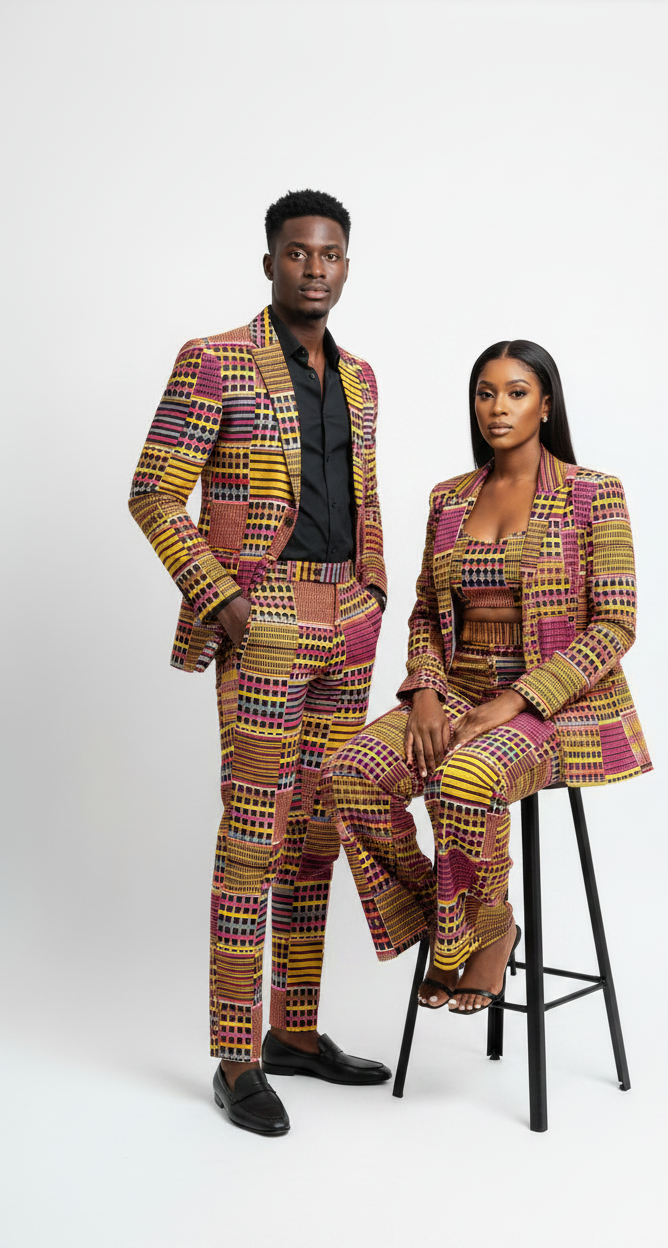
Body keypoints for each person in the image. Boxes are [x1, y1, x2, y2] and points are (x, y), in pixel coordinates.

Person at [129, 189, 391, 1136]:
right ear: (270, 262)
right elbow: (153, 492)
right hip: (265, 612)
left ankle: (297, 1032)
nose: (314, 268)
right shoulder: (215, 362)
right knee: (254, 833)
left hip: (348, 612)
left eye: (330, 255)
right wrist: (225, 602)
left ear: (346, 266)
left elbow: (363, 493)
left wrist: (375, 590)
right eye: (297, 253)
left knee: (318, 832)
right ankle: (237, 1056)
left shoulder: (360, 376)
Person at [326, 340, 651, 1015]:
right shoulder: (448, 500)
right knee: (350, 775)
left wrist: (520, 699)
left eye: (516, 392)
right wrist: (420, 694)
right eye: (485, 392)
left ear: (546, 404)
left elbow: (616, 624)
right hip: (454, 693)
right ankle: (472, 924)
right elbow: (422, 611)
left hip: (554, 708)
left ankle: (479, 932)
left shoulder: (595, 494)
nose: (497, 407)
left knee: (464, 776)